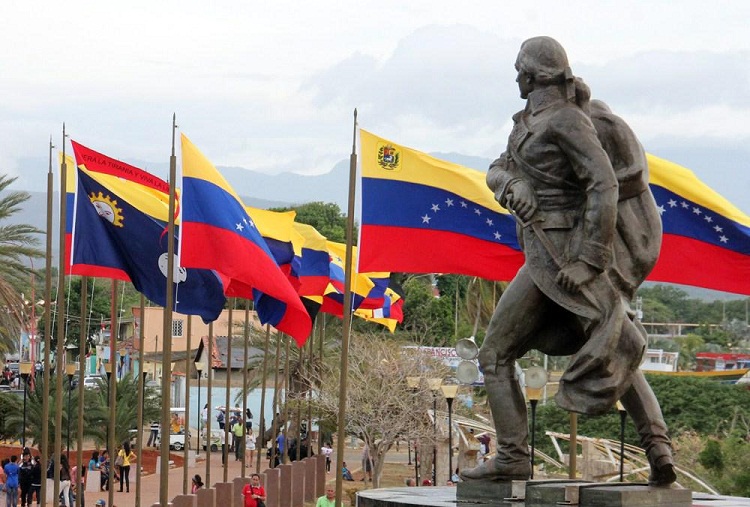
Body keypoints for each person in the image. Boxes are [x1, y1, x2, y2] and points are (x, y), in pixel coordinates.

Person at [460, 35, 675, 487]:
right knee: (615, 340)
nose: (516, 75)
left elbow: (604, 185)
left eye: (520, 67)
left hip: (561, 256)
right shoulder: (529, 121)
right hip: (543, 250)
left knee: (497, 353)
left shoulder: (566, 121)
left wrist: (590, 261)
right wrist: (508, 186)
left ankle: (514, 457)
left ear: (535, 74)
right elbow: (499, 167)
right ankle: (659, 449)